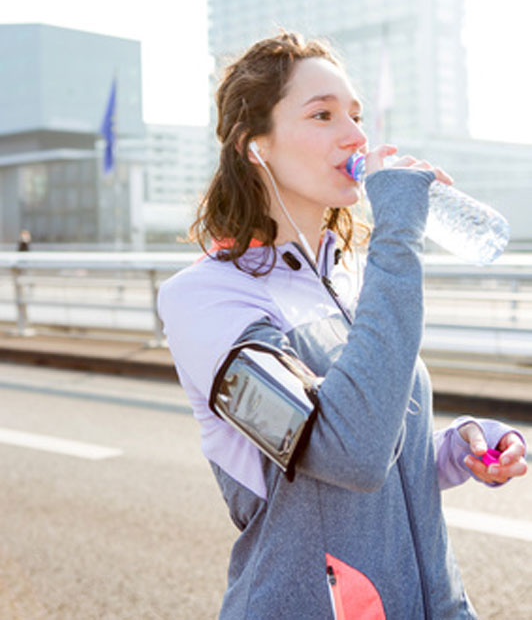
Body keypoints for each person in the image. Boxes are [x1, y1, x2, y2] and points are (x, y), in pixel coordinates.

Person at [158, 32, 527, 619]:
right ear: (255, 144)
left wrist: (452, 453)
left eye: (356, 115)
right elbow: (349, 454)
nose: (356, 135)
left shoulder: (354, 277)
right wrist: (397, 240)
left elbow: (376, 453)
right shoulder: (206, 302)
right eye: (323, 115)